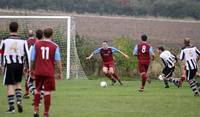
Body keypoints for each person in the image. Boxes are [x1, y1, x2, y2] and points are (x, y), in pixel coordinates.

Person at [31, 28, 62, 117]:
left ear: (44, 34)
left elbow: (32, 59)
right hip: (49, 72)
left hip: (38, 71)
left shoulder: (36, 45)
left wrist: (31, 69)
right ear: (52, 35)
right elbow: (58, 61)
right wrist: (60, 72)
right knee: (47, 92)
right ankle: (46, 113)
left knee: (37, 90)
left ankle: (36, 109)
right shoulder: (55, 46)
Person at [0, 22, 29, 113]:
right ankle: (19, 101)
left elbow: (0, 53)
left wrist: (1, 64)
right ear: (17, 29)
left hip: (9, 65)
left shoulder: (4, 40)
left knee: (10, 85)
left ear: (9, 29)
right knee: (18, 83)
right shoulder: (23, 41)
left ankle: (11, 108)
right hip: (19, 65)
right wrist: (28, 67)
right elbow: (27, 54)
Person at [24, 29, 37, 99]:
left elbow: (24, 54)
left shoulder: (25, 42)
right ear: (33, 35)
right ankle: (39, 92)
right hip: (37, 63)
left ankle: (27, 93)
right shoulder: (37, 42)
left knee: (28, 78)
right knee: (36, 79)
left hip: (28, 63)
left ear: (28, 35)